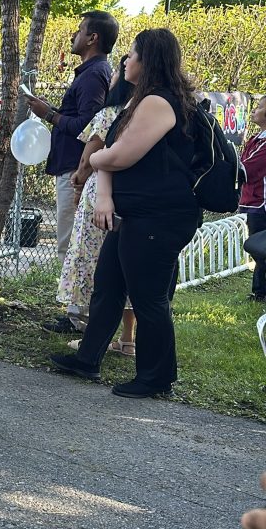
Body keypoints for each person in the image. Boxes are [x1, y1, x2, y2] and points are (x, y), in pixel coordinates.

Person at [50, 29, 202, 399]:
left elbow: (117, 156)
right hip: (133, 214)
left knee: (148, 297)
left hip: (158, 217)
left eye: (131, 55)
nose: (124, 61)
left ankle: (156, 378)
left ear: (147, 61)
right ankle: (88, 359)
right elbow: (113, 158)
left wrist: (98, 159)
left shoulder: (158, 103)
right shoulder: (142, 100)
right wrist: (104, 180)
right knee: (109, 284)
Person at [44, 57, 136, 355]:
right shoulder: (142, 114)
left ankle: (92, 333)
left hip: (101, 195)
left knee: (97, 264)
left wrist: (79, 179)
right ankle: (128, 338)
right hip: (131, 196)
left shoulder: (110, 114)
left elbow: (88, 157)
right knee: (126, 267)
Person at [27, 10, 118, 264]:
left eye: (79, 30)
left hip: (76, 171)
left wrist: (49, 115)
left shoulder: (93, 74)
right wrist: (54, 112)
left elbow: (89, 126)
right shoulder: (92, 72)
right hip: (73, 168)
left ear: (92, 38)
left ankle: (74, 304)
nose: (73, 35)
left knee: (70, 246)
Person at [239, 95, 266, 301]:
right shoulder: (256, 139)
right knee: (258, 249)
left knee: (261, 249)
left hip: (261, 203)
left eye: (258, 106)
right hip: (251, 201)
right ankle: (259, 291)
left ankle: (260, 292)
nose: (254, 110)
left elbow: (247, 169)